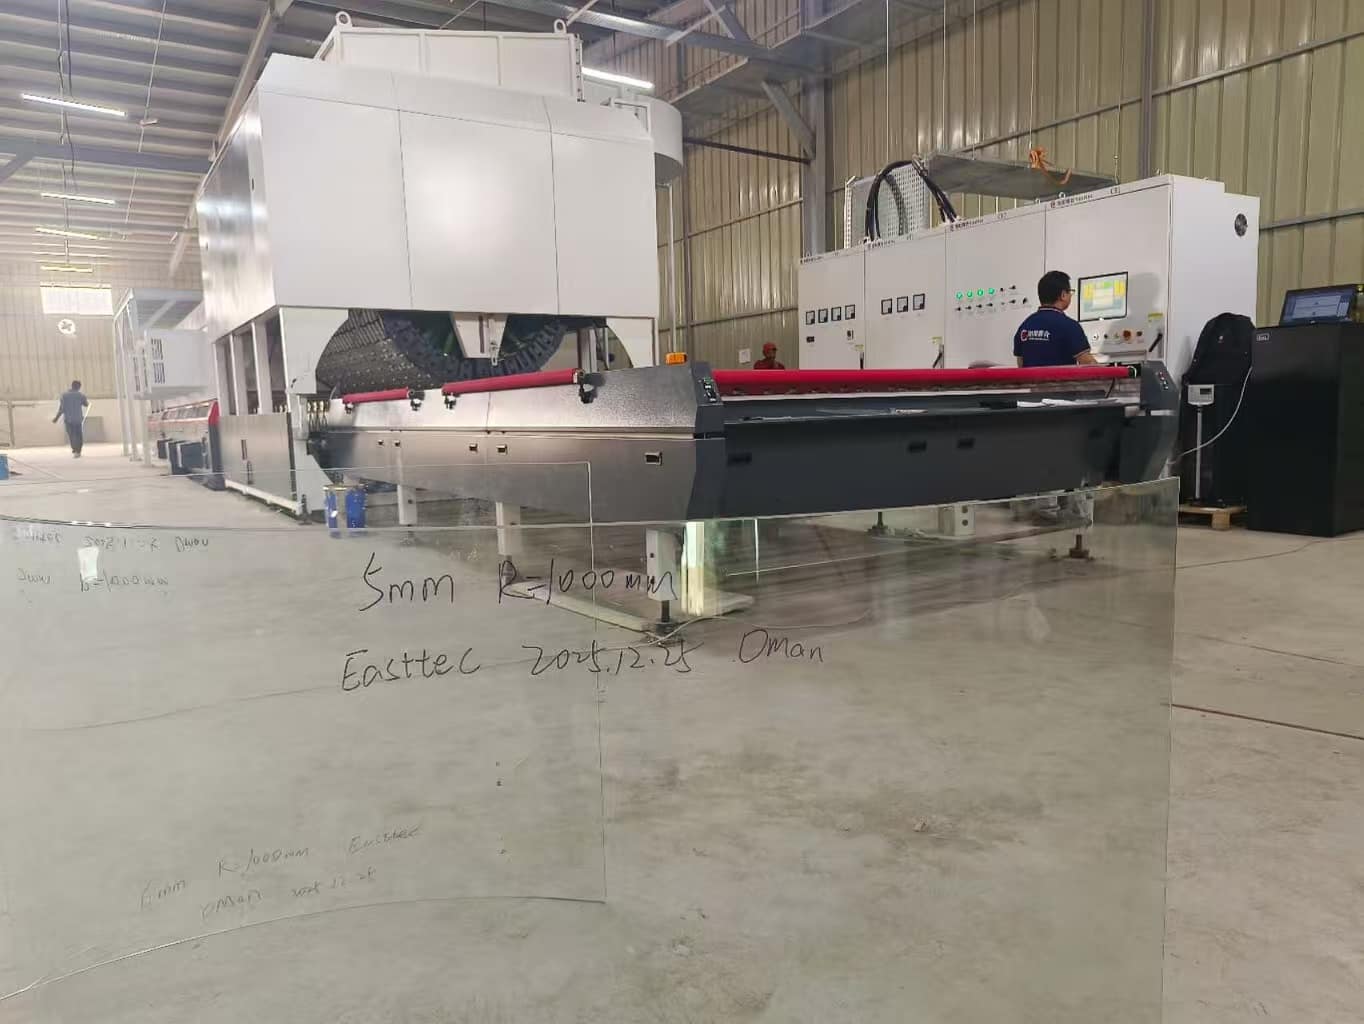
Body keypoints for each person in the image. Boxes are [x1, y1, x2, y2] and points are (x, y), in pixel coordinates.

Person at [1013, 271, 1098, 368]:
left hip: (1031, 378)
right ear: (1063, 295)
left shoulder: (1025, 325)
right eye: (1070, 292)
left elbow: (1020, 364)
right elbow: (1089, 364)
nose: (1071, 295)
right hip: (1061, 378)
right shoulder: (1070, 326)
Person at [52, 379, 89, 457]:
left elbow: (61, 409)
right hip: (78, 419)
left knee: (71, 435)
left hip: (68, 420)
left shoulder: (64, 395)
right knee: (79, 435)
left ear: (72, 386)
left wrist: (56, 418)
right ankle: (78, 451)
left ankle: (75, 449)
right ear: (79, 387)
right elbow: (86, 404)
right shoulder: (81, 395)